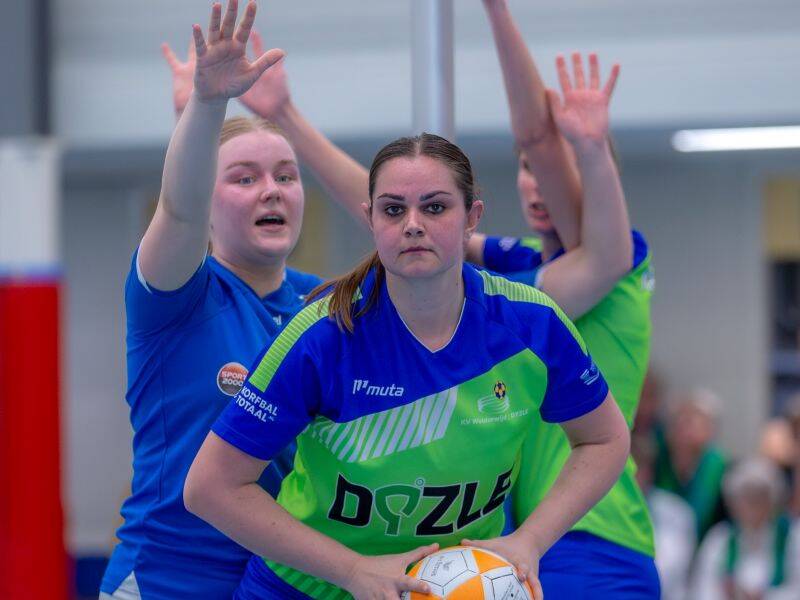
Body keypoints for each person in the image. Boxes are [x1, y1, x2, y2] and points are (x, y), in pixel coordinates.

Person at [184, 132, 632, 599]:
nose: (413, 225)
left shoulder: (532, 324)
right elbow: (211, 488)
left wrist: (531, 540)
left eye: (435, 207)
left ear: (472, 218)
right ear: (371, 220)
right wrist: (353, 570)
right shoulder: (321, 335)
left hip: (451, 589)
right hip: (302, 589)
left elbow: (605, 438)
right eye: (394, 210)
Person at [100, 2, 323, 598]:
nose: (271, 191)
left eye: (286, 176)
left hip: (280, 581)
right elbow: (179, 207)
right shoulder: (176, 294)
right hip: (166, 579)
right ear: (210, 200)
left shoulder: (324, 306)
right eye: (245, 178)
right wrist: (205, 104)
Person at [465, 1, 660, 596]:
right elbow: (416, 226)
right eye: (525, 169)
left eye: (552, 168)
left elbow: (538, 136)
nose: (537, 180)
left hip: (596, 536)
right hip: (528, 536)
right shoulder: (524, 260)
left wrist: (496, 10)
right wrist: (288, 116)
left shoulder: (620, 258)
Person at [690, 458, 800, 600]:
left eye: (759, 497)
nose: (752, 506)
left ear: (772, 500)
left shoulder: (791, 537)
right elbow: (702, 587)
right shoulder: (720, 538)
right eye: (745, 497)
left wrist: (764, 597)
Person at [655, 388, 729, 540]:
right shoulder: (655, 458)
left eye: (689, 421)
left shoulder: (720, 468)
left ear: (710, 430)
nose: (681, 425)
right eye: (676, 419)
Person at [632, 435, 696, 600]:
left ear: (650, 471)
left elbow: (668, 572)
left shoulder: (676, 512)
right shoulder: (601, 511)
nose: (632, 476)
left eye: (638, 467)